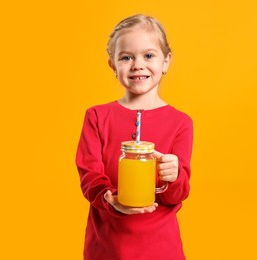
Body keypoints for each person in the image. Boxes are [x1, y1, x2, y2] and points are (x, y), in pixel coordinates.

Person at [76, 14, 193, 260]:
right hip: (106, 248)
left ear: (166, 62)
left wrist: (174, 176)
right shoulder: (96, 116)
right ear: (113, 65)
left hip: (161, 249)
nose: (137, 64)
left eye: (149, 55)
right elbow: (89, 175)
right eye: (126, 57)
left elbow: (176, 195)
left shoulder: (181, 123)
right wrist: (110, 198)